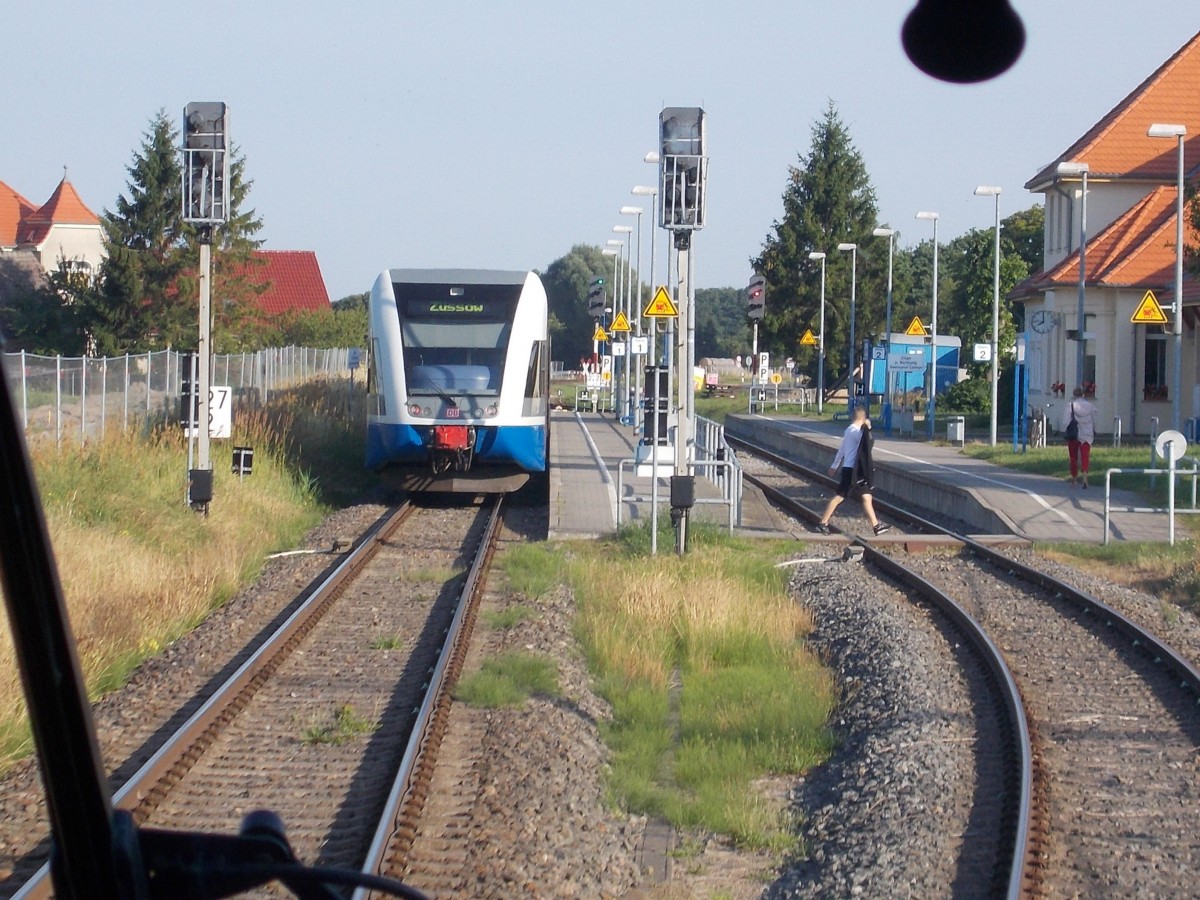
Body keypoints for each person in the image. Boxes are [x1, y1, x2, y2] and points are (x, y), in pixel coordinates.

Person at [815, 406, 891, 535]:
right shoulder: (855, 431)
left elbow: (842, 450)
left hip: (856, 470)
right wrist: (868, 427)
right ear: (863, 418)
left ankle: (876, 526)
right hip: (852, 471)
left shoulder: (848, 430)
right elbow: (867, 441)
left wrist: (835, 465)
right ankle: (823, 522)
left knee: (867, 497)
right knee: (840, 496)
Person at [1061, 386, 1096, 488]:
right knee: (1085, 456)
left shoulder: (1070, 406)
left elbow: (1065, 422)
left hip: (1074, 434)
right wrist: (1094, 429)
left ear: (1074, 395)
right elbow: (1094, 420)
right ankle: (1085, 476)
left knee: (1073, 457)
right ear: (1083, 394)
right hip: (1087, 434)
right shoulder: (1090, 406)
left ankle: (1074, 478)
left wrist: (1064, 432)